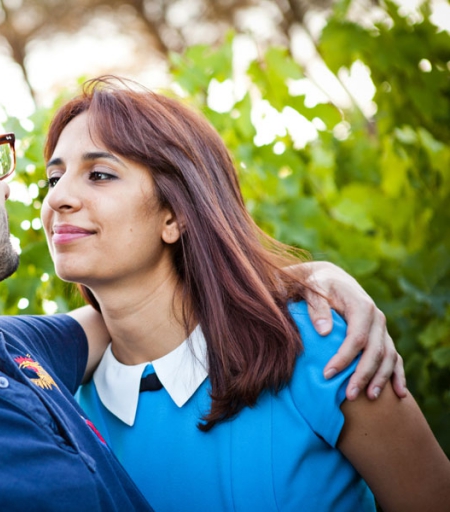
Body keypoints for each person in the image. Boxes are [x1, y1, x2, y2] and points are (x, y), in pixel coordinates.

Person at [0, 38, 401, 510]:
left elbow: (133, 318)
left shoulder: (9, 353)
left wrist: (308, 278)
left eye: (98, 173)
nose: (46, 196)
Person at [41, 78, 450, 512]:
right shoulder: (65, 413)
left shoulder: (320, 348)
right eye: (54, 178)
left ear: (176, 214)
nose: (59, 197)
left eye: (100, 174)